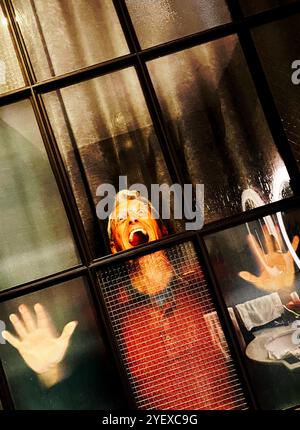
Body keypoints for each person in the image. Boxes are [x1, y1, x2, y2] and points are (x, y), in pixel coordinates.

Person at [107, 189, 240, 409]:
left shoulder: (204, 281)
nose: (132, 219)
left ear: (162, 229)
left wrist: (279, 288)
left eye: (140, 211)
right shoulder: (113, 314)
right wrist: (51, 372)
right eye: (121, 219)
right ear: (115, 248)